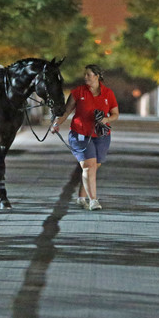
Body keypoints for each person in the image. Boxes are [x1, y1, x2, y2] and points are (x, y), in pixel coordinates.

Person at [52, 64, 119, 210]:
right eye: (85, 74)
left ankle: (81, 197)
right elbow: (66, 112)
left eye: (89, 74)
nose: (86, 77)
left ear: (97, 76)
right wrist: (56, 124)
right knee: (89, 166)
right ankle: (93, 200)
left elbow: (115, 114)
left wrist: (106, 120)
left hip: (102, 135)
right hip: (80, 134)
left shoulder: (108, 93)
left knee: (93, 167)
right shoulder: (78, 92)